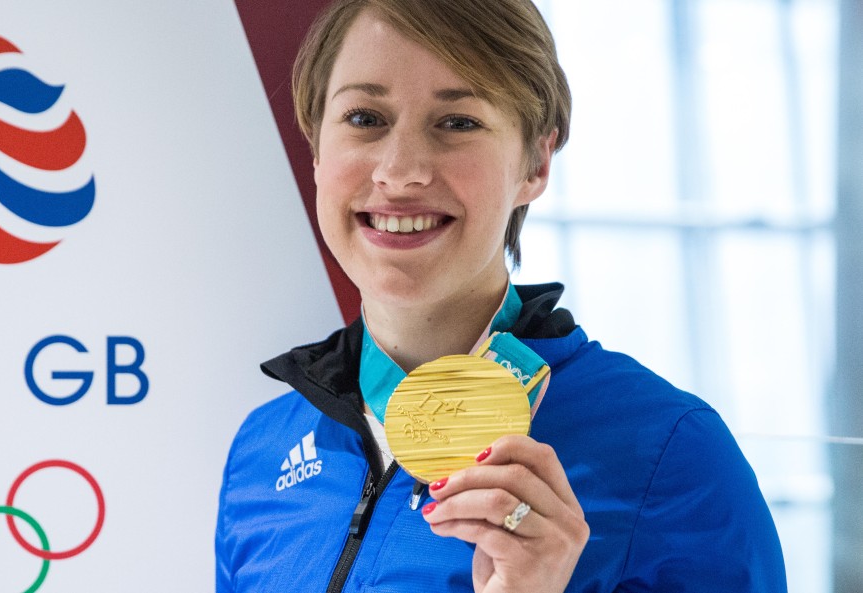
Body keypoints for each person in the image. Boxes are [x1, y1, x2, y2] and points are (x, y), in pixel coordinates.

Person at [214, 0, 787, 591]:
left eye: (457, 122)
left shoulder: (670, 453)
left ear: (535, 162)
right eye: (365, 118)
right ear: (315, 149)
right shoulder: (265, 449)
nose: (401, 170)